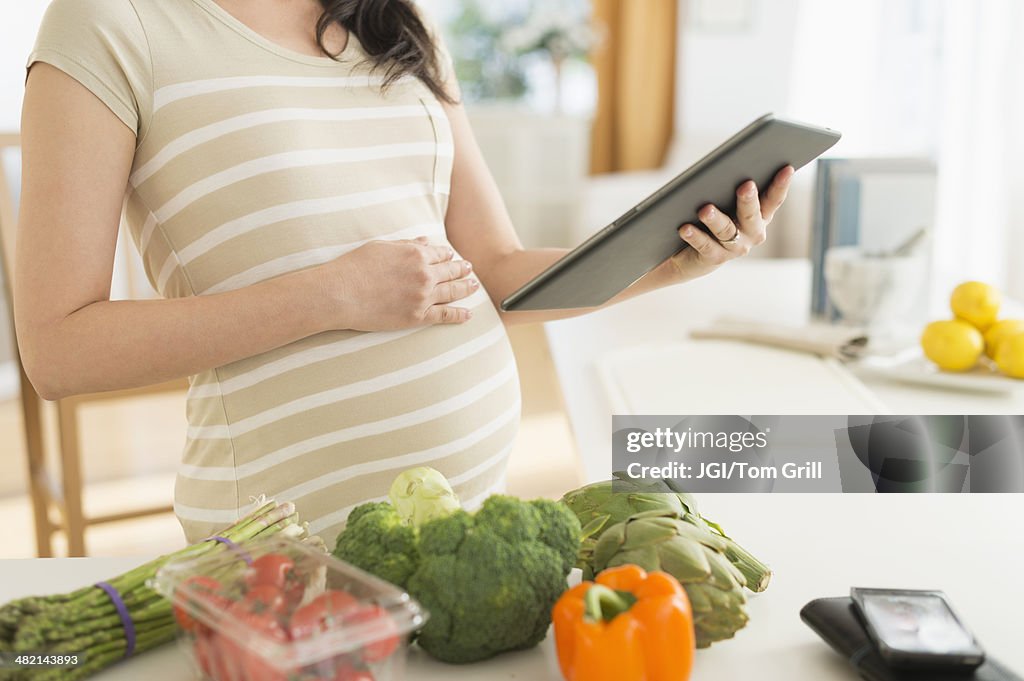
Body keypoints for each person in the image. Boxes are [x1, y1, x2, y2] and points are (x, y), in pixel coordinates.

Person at [16, 0, 794, 544]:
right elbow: (58, 348)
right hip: (289, 554)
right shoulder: (109, 21)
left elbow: (490, 269)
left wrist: (668, 260)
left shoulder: (395, 21)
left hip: (468, 521)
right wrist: (332, 294)